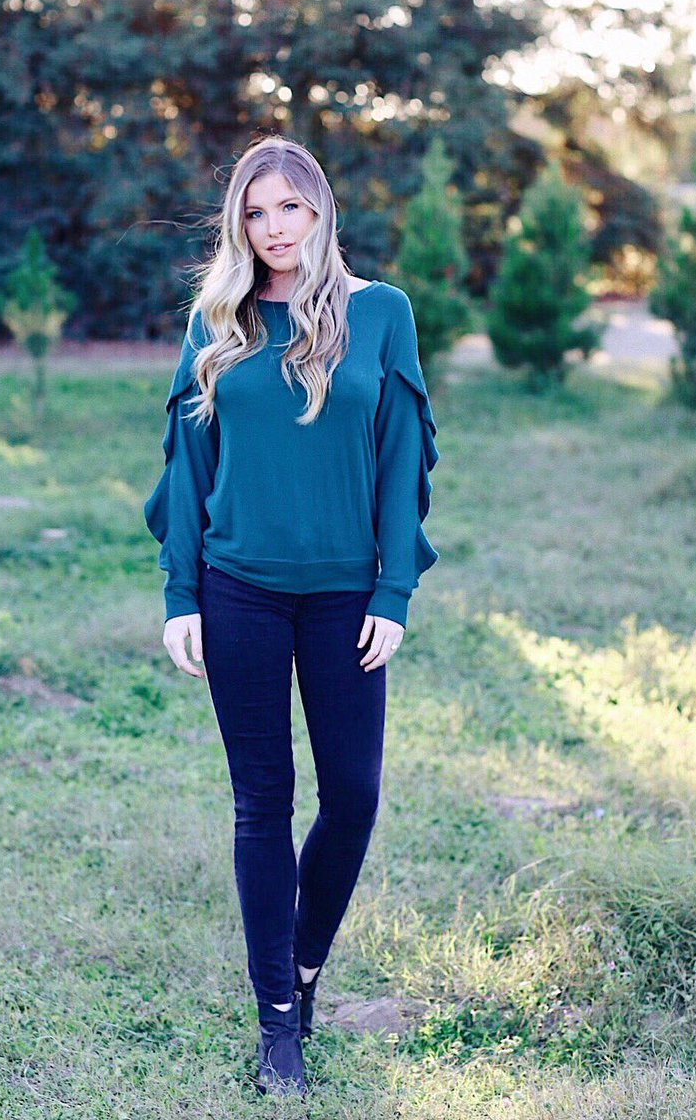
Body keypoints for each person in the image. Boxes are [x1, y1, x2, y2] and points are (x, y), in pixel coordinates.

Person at [143, 135, 440, 1099]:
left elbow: (401, 458)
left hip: (347, 597)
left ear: (320, 211)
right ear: (240, 222)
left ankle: (304, 968)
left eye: (289, 208)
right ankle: (278, 1019)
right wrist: (180, 595)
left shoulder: (381, 313)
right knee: (262, 802)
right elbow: (188, 465)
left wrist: (393, 591)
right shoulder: (217, 319)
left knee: (352, 795)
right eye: (255, 212)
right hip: (239, 589)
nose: (273, 229)